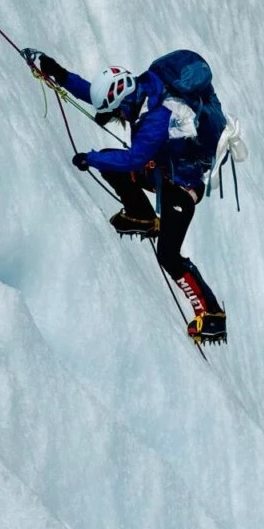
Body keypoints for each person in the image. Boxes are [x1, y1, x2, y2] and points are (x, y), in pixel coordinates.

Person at [22, 48, 226, 344]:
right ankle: (142, 216)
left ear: (125, 102)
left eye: (117, 112)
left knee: (168, 255)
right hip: (162, 175)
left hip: (181, 190)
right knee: (111, 163)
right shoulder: (144, 87)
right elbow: (92, 94)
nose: (117, 116)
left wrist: (90, 159)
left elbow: (133, 159)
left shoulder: (158, 117)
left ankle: (213, 317)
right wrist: (52, 69)